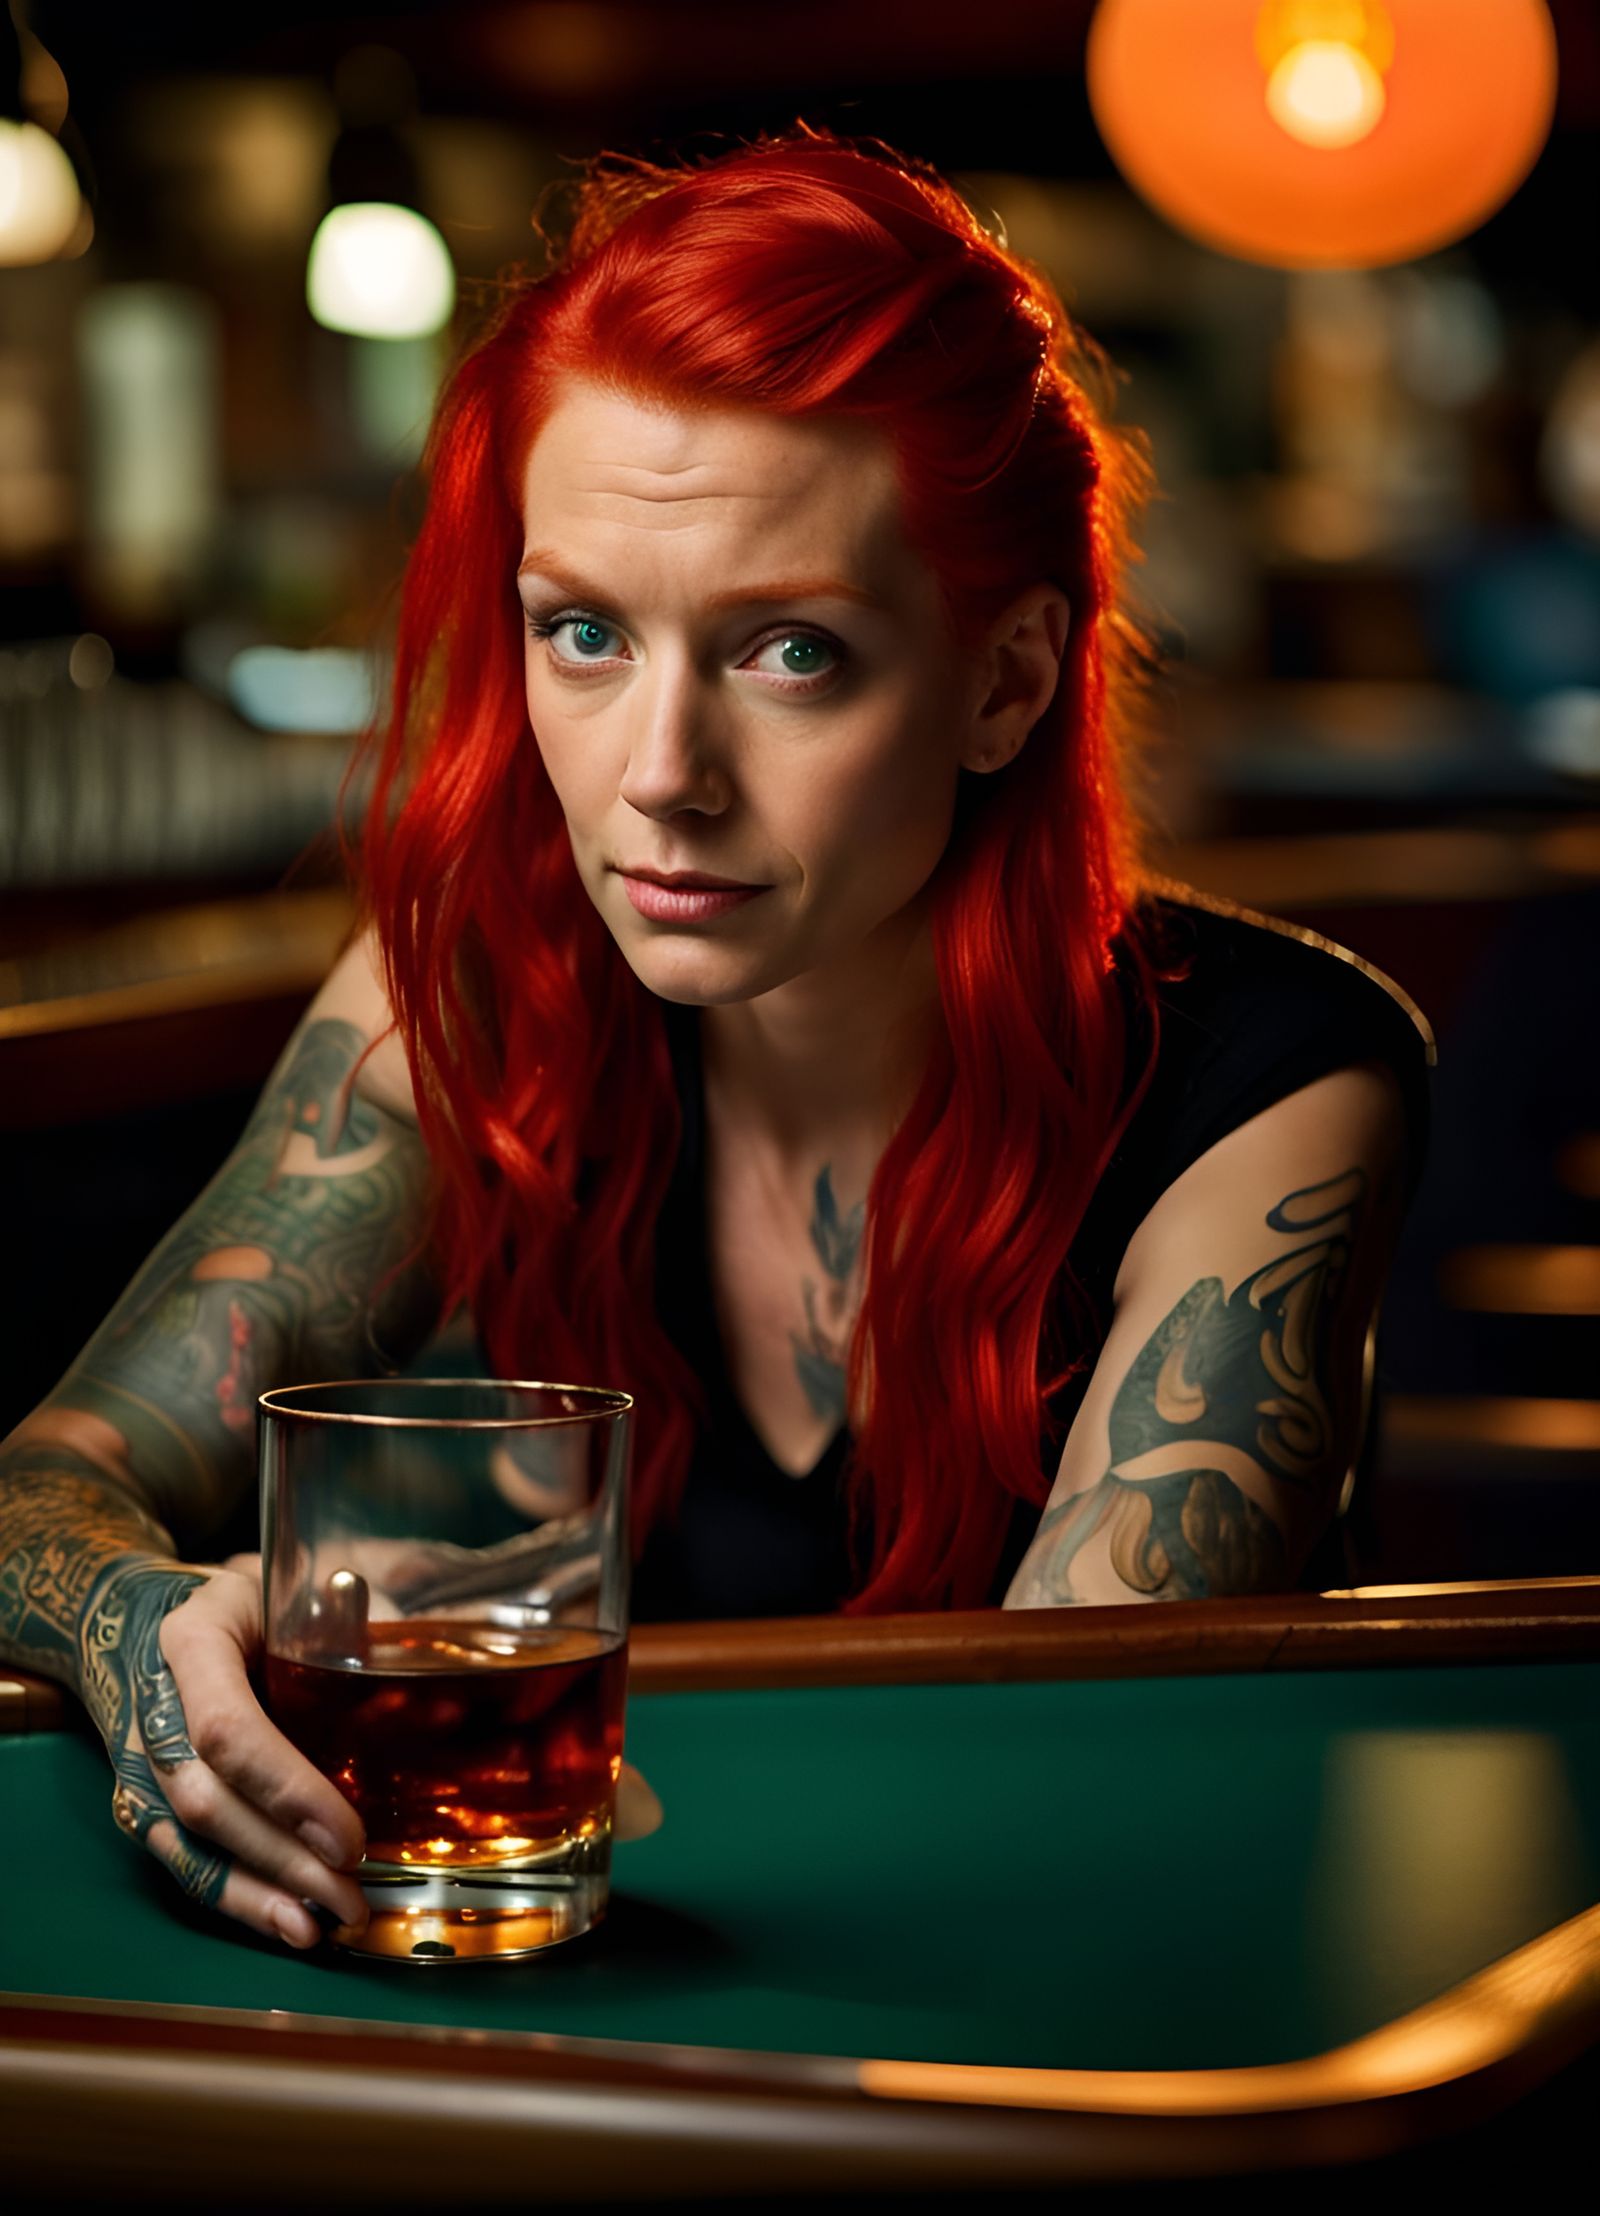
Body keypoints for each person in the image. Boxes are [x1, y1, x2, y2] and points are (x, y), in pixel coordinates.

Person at [0, 126, 1431, 1952]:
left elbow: (1072, 1767)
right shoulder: (476, 988)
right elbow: (46, 1485)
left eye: (791, 654)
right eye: (583, 632)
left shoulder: (1281, 1089)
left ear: (1005, 680)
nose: (658, 778)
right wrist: (141, 1628)